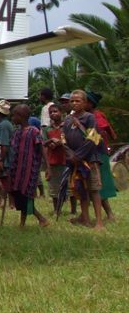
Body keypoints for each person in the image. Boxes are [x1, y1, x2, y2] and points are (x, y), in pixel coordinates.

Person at [63, 90, 105, 230]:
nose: (74, 103)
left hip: (89, 159)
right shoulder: (68, 119)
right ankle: (85, 219)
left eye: (78, 101)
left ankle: (99, 222)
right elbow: (64, 139)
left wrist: (79, 156)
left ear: (85, 103)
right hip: (74, 161)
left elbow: (92, 138)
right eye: (72, 101)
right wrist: (70, 155)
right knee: (80, 190)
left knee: (94, 190)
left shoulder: (89, 118)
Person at [9, 104, 50, 227]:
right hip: (17, 171)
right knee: (19, 196)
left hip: (29, 170)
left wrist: (48, 166)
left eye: (14, 115)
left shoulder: (33, 131)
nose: (12, 118)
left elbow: (41, 148)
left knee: (26, 196)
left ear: (20, 116)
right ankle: (29, 221)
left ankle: (38, 219)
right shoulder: (17, 132)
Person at [85, 91, 117, 222]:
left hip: (99, 155)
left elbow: (99, 137)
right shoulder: (86, 116)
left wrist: (86, 136)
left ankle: (110, 214)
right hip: (90, 154)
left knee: (99, 187)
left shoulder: (97, 117)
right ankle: (85, 216)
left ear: (90, 103)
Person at [42, 103, 66, 211]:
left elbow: (69, 140)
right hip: (53, 160)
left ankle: (73, 209)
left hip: (65, 160)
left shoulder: (66, 126)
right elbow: (43, 142)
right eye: (51, 112)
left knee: (68, 186)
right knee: (54, 187)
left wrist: (60, 143)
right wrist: (51, 141)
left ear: (61, 112)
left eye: (55, 111)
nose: (53, 114)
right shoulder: (47, 129)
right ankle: (57, 209)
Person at [0, 99, 13, 209]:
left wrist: (1, 160)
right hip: (0, 152)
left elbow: (4, 144)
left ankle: (11, 203)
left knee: (5, 179)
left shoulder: (4, 125)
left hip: (4, 156)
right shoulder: (0, 124)